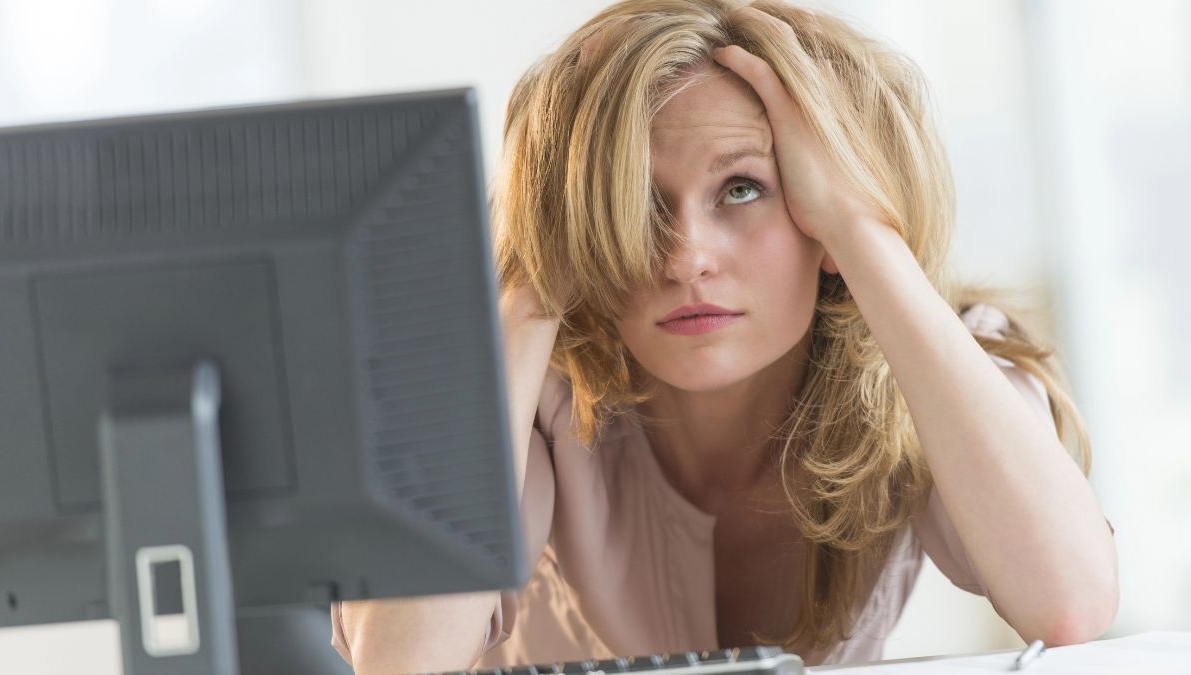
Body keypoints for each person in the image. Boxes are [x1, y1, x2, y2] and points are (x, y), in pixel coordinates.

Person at [329, 0, 1119, 671]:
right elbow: (399, 660)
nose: (685, 258)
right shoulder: (526, 390)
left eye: (742, 188)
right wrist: (536, 276)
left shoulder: (931, 369)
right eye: (635, 199)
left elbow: (1070, 606)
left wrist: (863, 230)